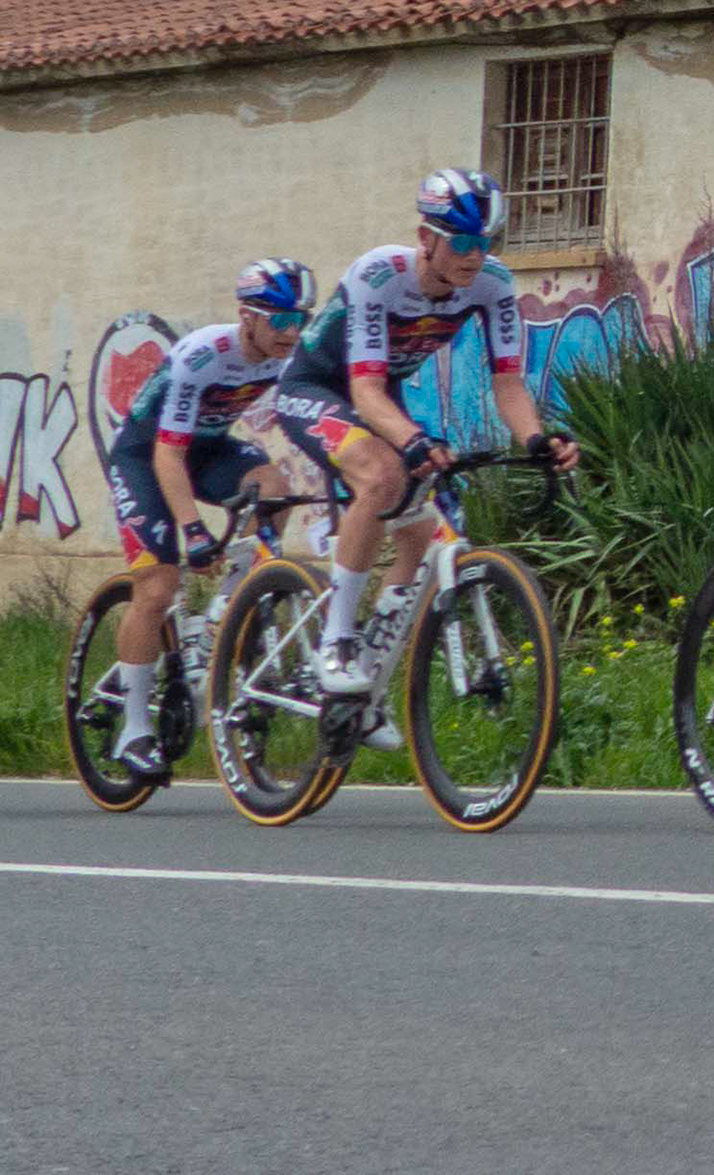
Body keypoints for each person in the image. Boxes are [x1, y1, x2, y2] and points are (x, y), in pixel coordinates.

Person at [266, 174, 579, 704]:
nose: (474, 256)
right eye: (461, 242)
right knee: (382, 475)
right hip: (317, 386)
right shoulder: (379, 274)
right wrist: (411, 440)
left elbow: (507, 383)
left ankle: (365, 688)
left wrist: (535, 439)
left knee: (419, 533)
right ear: (425, 237)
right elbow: (363, 391)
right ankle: (337, 643)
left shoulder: (494, 285)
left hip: (381, 392)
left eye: (485, 243)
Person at [97, 258, 312, 777]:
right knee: (156, 587)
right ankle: (132, 728)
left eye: (300, 319)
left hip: (209, 448)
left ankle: (226, 609)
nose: (292, 332)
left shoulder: (289, 355)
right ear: (248, 317)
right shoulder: (204, 355)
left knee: (274, 490)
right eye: (280, 320)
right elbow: (167, 455)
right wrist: (193, 530)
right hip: (147, 455)